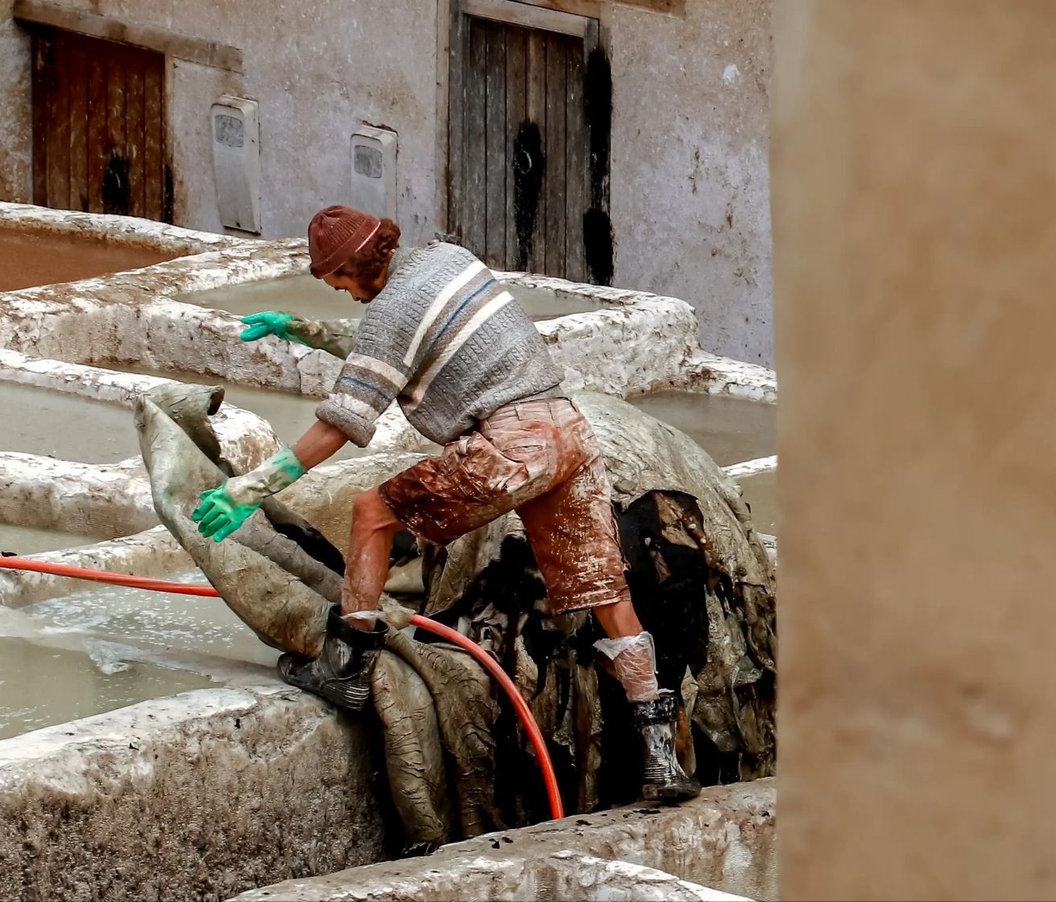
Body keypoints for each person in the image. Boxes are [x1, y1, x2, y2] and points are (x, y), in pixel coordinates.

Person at [190, 205, 699, 803]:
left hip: (509, 443)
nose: (341, 293)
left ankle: (345, 666)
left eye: (338, 282)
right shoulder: (447, 261)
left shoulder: (390, 315)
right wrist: (300, 328)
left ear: (358, 267)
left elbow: (343, 421)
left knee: (371, 512)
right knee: (607, 595)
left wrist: (247, 489)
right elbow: (398, 345)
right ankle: (663, 763)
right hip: (567, 434)